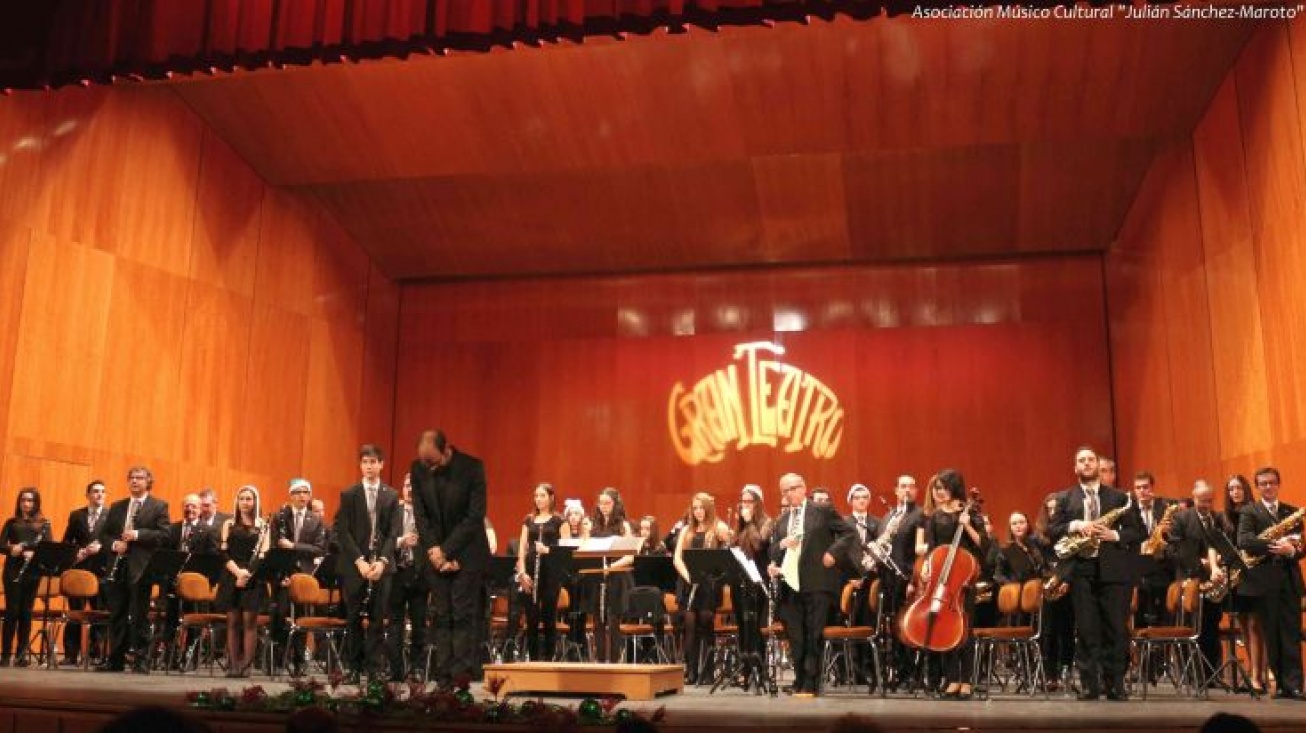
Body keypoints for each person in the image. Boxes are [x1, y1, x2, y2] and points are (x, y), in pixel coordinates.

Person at [1048, 447, 1143, 701]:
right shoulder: (1065, 498)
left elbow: (1139, 532)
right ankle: (1090, 685)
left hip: (1113, 570)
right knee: (1087, 630)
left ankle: (1115, 685)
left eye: (1091, 459)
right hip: (1080, 569)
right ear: (1075, 468)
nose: (1087, 463)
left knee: (1115, 629)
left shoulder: (1120, 498)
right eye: (1081, 460)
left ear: (1098, 466)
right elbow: (1053, 530)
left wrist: (1115, 535)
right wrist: (1079, 525)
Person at [411, 429, 490, 687]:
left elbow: (474, 516)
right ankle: (442, 677)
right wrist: (435, 550)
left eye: (434, 463)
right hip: (435, 554)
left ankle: (461, 678)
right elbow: (421, 516)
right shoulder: (418, 468)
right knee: (441, 614)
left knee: (462, 614)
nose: (430, 470)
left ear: (446, 451)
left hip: (466, 551)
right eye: (426, 465)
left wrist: (449, 551)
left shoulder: (472, 468)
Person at [767, 472, 850, 697]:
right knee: (796, 636)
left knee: (813, 634)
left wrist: (833, 553)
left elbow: (848, 534)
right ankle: (800, 679)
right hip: (790, 585)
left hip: (817, 582)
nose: (790, 493)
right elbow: (773, 550)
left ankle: (811, 684)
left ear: (804, 488)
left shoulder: (821, 511)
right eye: (785, 490)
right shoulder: (782, 520)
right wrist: (776, 558)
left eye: (793, 488)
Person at [913, 470, 986, 699]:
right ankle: (953, 678)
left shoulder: (969, 510)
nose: (939, 492)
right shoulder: (934, 517)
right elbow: (933, 549)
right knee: (947, 629)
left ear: (953, 489)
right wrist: (926, 568)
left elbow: (985, 545)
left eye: (943, 488)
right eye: (936, 488)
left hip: (964, 579)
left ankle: (967, 680)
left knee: (966, 630)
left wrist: (968, 525)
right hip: (943, 580)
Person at [1236, 466, 1304, 699]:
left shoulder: (1292, 512)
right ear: (1257, 487)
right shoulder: (1249, 512)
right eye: (1263, 483)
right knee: (1272, 634)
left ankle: (1294, 685)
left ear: (1278, 484)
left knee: (1291, 633)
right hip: (1264, 582)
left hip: (1289, 580)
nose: (1268, 487)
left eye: (1272, 482)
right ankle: (1282, 684)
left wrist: (1291, 551)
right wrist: (1277, 545)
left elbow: (1302, 547)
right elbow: (1244, 541)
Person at [98, 466, 171, 674]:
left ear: (148, 482)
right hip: (117, 565)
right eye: (131, 478)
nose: (135, 481)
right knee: (117, 614)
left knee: (139, 615)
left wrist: (138, 535)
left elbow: (165, 535)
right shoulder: (117, 506)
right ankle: (116, 660)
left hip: (142, 567)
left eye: (140, 478)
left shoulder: (159, 506)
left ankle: (141, 659)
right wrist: (114, 545)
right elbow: (104, 535)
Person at [336, 444, 399, 683]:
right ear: (360, 465)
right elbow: (343, 532)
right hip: (355, 565)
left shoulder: (391, 495)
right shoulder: (349, 494)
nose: (369, 466)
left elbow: (393, 533)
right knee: (352, 617)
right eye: (365, 462)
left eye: (373, 462)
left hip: (382, 566)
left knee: (376, 618)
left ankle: (373, 669)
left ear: (381, 464)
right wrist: (360, 561)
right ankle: (353, 667)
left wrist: (382, 561)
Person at [1165, 480, 1226, 680]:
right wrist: (1202, 563)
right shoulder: (1181, 518)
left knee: (1211, 628)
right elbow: (1173, 550)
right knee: (1189, 629)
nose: (1206, 505)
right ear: (1194, 497)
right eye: (1202, 500)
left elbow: (1226, 544)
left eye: (1209, 500)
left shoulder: (1218, 518)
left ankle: (1211, 675)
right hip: (1189, 582)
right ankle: (1191, 675)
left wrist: (1219, 559)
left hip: (1213, 583)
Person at [672, 492, 732, 684]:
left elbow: (727, 552)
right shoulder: (686, 530)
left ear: (709, 508)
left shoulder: (718, 527)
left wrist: (726, 537)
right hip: (688, 583)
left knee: (706, 623)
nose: (698, 512)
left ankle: (707, 671)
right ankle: (691, 671)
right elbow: (677, 558)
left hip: (709, 584)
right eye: (695, 508)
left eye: (701, 508)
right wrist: (688, 576)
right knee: (689, 624)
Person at [272, 478, 327, 675]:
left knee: (302, 617)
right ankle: (278, 657)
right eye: (297, 492)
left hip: (305, 575)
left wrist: (294, 546)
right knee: (281, 614)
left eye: (305, 492)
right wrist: (282, 574)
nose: (302, 496)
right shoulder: (280, 517)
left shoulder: (317, 519)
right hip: (284, 574)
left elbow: (319, 548)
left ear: (309, 496)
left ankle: (298, 659)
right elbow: (275, 546)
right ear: (291, 495)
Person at [216, 486, 268, 678]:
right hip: (231, 574)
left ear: (255, 502)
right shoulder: (228, 524)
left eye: (249, 499)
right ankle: (232, 665)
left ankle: (246, 665)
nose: (245, 502)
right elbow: (223, 552)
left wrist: (247, 574)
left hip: (253, 577)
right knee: (232, 621)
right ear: (237, 501)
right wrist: (238, 573)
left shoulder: (263, 525)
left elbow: (263, 555)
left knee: (249, 622)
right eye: (242, 498)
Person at [1223, 474, 1265, 692]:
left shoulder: (1256, 512)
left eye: (1238, 488)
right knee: (1243, 628)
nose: (1235, 493)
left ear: (1246, 489)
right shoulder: (1227, 518)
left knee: (1255, 626)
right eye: (1230, 489)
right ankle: (1251, 671)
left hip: (1254, 574)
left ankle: (1258, 675)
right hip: (1236, 576)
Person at [62, 479, 109, 666]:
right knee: (75, 612)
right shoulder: (76, 515)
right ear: (88, 495)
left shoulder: (111, 515)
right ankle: (70, 655)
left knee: (99, 613)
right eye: (96, 491)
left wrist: (101, 547)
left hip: (100, 572)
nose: (99, 494)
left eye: (103, 491)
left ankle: (96, 653)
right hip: (80, 571)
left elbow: (115, 542)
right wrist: (78, 552)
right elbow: (67, 542)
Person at [1, 487, 51, 666]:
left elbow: (48, 548)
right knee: (11, 611)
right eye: (23, 500)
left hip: (32, 572)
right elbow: (1, 545)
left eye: (30, 500)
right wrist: (11, 549)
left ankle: (22, 655)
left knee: (26, 612)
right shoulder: (11, 522)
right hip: (13, 571)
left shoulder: (44, 524)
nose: (26, 503)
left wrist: (34, 555)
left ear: (36, 503)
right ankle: (5, 655)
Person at [515, 482, 563, 662]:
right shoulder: (528, 520)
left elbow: (567, 550)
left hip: (550, 573)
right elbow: (522, 549)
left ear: (551, 498)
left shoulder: (559, 520)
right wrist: (522, 573)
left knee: (549, 618)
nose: (538, 499)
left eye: (542, 495)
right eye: (536, 496)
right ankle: (533, 660)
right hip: (530, 571)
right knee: (532, 618)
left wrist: (548, 551)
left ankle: (549, 660)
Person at [387, 472, 428, 681]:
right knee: (395, 623)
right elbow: (385, 539)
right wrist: (401, 541)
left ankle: (417, 669)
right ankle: (395, 670)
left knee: (419, 624)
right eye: (406, 485)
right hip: (396, 572)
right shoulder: (394, 509)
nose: (410, 489)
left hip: (419, 573)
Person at [588, 487, 635, 663]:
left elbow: (630, 556)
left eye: (607, 503)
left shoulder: (624, 526)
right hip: (597, 577)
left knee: (614, 622)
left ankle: (615, 665)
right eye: (601, 503)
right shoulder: (594, 526)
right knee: (598, 622)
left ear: (615, 504)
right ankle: (600, 663)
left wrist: (611, 566)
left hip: (616, 576)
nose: (603, 506)